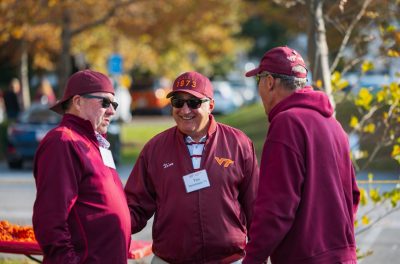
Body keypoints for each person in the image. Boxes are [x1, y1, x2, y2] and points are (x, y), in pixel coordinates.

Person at [124, 71, 259, 263]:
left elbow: (255, 205)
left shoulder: (239, 143)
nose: (185, 110)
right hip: (169, 260)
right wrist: (107, 227)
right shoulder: (154, 149)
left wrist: (259, 255)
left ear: (211, 105)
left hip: (229, 260)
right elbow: (134, 207)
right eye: (178, 102)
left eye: (194, 103)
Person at [242, 46, 360, 264]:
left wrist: (252, 259)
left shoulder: (286, 124)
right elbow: (352, 195)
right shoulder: (333, 125)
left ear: (269, 81)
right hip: (342, 257)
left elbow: (276, 207)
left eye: (258, 79)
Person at [32, 70, 131, 264]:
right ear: (77, 102)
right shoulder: (63, 141)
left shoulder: (93, 142)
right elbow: (51, 220)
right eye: (105, 103)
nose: (112, 110)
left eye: (114, 104)